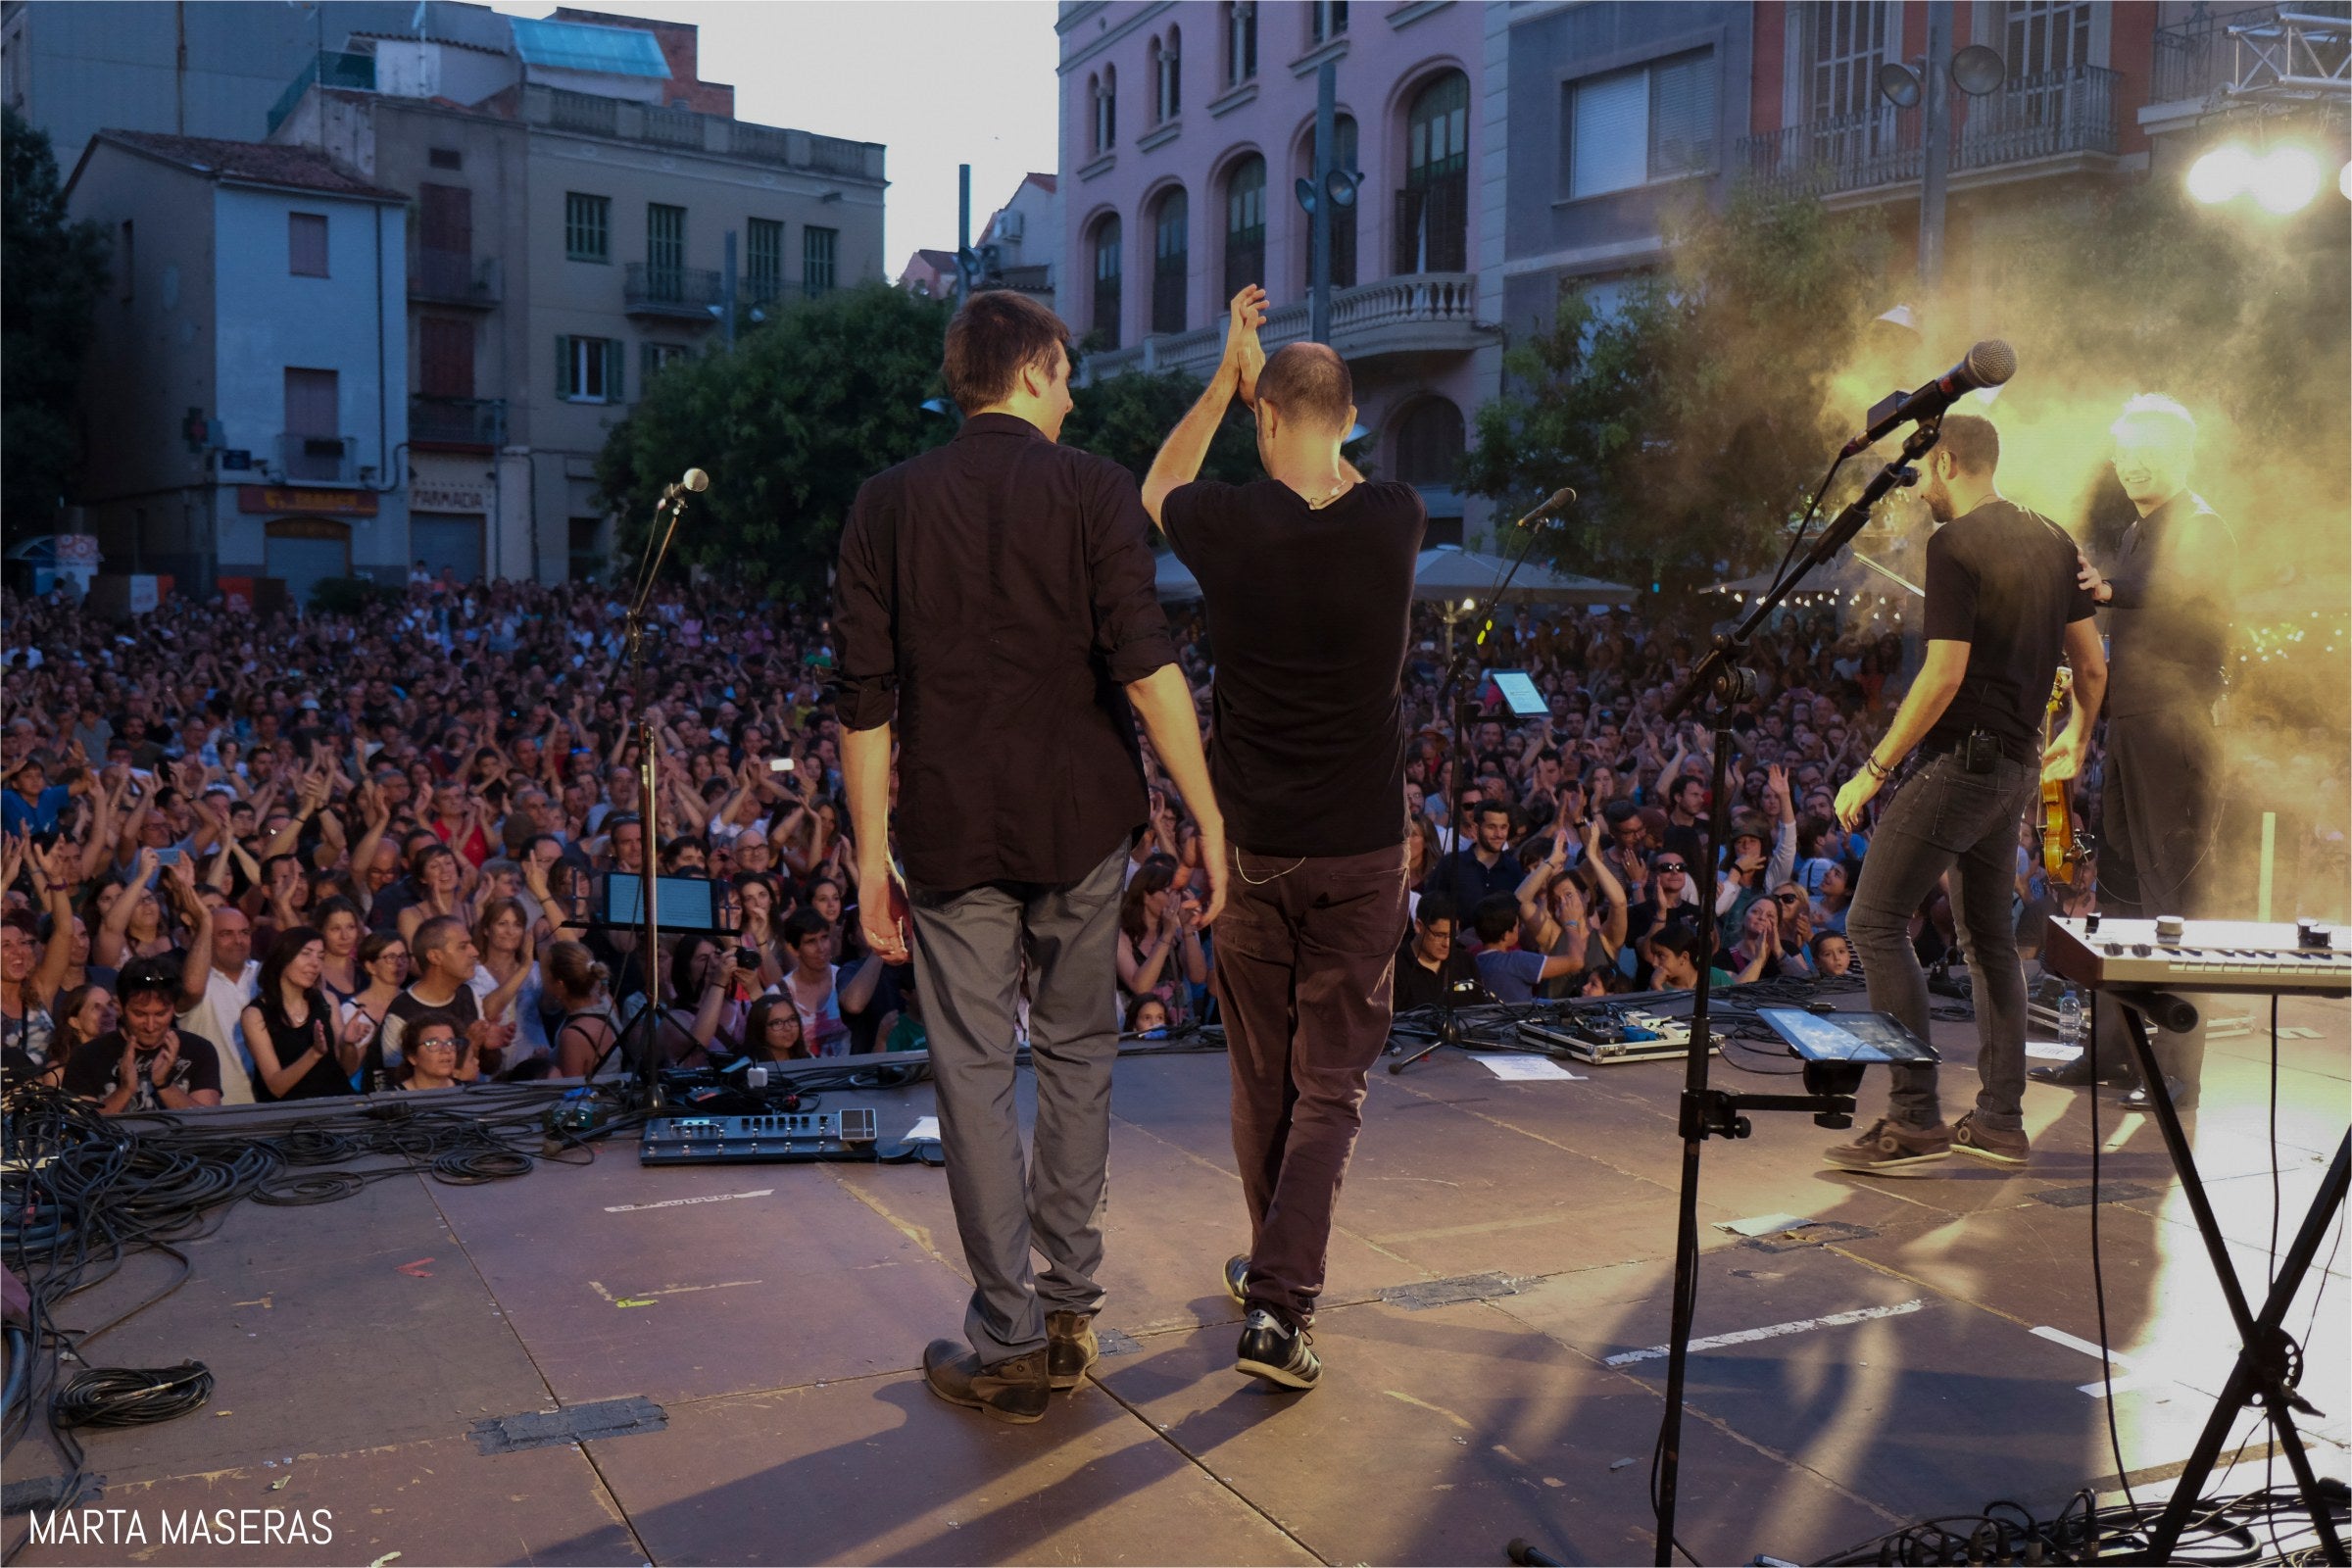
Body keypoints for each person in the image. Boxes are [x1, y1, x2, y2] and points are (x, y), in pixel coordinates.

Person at [834, 288, 1228, 1426]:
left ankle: (1005, 1332)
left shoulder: (887, 504)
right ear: (1040, 370)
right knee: (1076, 1054)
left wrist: (869, 857)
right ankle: (1068, 1304)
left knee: (969, 1071)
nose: (1074, 394)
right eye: (1068, 375)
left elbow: (863, 703)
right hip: (1081, 818)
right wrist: (1203, 811)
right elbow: (1148, 669)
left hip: (951, 830)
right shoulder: (1097, 488)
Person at [1147, 292, 1418, 1393]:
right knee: (1333, 1082)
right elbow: (1335, 479)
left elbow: (1157, 485)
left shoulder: (1230, 525)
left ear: (1263, 419)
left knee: (1265, 1077)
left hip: (1255, 849)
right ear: (1349, 423)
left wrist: (1226, 378)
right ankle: (1279, 1298)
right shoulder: (1395, 515)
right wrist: (1287, 413)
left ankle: (1275, 1276)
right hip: (1361, 849)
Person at [1828, 414, 2105, 1176]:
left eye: (1925, 471)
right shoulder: (2053, 537)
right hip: (2014, 767)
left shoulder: (1954, 544)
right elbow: (2092, 668)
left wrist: (1875, 768)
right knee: (1989, 943)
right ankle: (1998, 1122)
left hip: (1963, 763)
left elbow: (1943, 674)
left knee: (1875, 920)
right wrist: (2075, 742)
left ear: (1947, 460)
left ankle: (1913, 1116)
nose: (1921, 489)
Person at [2048, 395, 2236, 1113]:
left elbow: (2184, 595)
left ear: (2182, 453)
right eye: (2121, 452)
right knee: (2120, 888)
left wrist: (2111, 589)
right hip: (2132, 721)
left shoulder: (2203, 527)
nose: (2129, 464)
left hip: (2176, 729)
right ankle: (2115, 1053)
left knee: (2174, 894)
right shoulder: (2135, 531)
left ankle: (2180, 1068)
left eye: (2143, 450)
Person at [63, 956, 224, 1113]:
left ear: (173, 1007)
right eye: (139, 1014)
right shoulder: (86, 1057)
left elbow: (208, 1123)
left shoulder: (199, 1050)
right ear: (121, 1007)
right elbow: (81, 1128)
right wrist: (125, 1090)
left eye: (160, 1014)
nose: (150, 1025)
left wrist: (165, 1084)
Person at [240, 926, 361, 1101]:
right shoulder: (255, 1015)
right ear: (283, 957)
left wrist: (348, 1045)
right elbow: (276, 1086)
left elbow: (348, 1069)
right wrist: (315, 1053)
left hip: (338, 1107)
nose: (315, 963)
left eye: (320, 957)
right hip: (292, 1116)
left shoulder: (327, 1000)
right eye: (306, 953)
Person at [1392, 893, 1481, 1012]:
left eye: (1453, 935)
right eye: (1440, 935)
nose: (1447, 944)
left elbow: (1481, 1012)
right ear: (1419, 926)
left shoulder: (1465, 961)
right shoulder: (1395, 967)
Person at [397, 1009, 466, 1092]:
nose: (446, 1050)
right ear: (412, 1057)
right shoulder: (390, 1098)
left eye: (451, 1042)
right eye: (434, 1043)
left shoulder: (471, 1093)